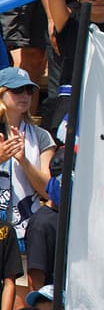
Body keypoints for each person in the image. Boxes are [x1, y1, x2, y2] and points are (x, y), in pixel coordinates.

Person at [0, 68, 53, 247]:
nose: (25, 95)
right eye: (17, 90)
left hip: (28, 229)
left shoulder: (41, 136)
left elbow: (48, 190)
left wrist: (24, 161)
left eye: (29, 90)